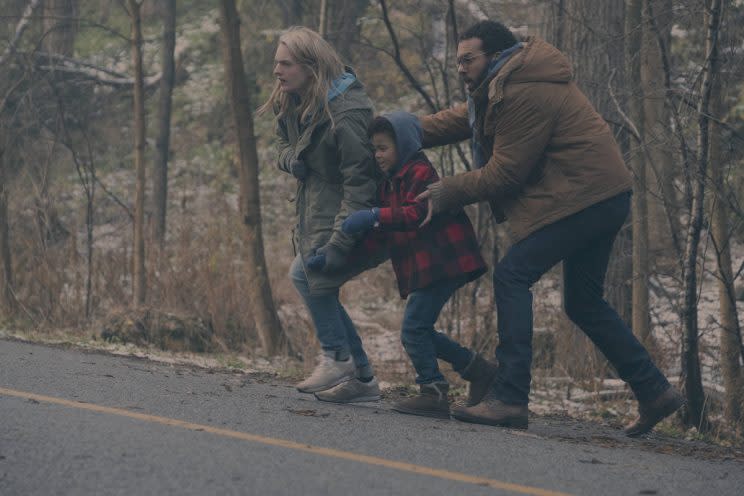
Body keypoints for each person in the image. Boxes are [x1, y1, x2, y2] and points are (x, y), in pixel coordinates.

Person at [415, 20, 683, 434]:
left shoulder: (522, 90)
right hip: (600, 196)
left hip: (586, 198)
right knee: (583, 301)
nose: (461, 68)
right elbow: (458, 121)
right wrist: (400, 130)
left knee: (512, 275)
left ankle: (508, 397)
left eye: (467, 59)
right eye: (457, 61)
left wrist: (446, 190)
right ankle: (655, 391)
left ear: (494, 55)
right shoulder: (504, 83)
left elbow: (505, 174)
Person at [328, 112, 497, 416]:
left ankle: (433, 390)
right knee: (420, 329)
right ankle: (479, 370)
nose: (377, 155)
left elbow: (415, 213)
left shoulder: (419, 171)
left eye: (383, 148)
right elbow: (382, 235)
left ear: (403, 144)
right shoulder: (389, 183)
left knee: (413, 329)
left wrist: (375, 216)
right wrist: (340, 256)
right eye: (374, 149)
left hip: (444, 260)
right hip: (427, 266)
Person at [260, 26, 384, 402]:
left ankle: (338, 356)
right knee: (313, 278)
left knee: (308, 274)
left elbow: (360, 185)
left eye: (286, 64)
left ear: (311, 67)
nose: (277, 71)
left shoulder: (346, 115)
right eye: (276, 63)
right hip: (312, 205)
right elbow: (282, 144)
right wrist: (290, 160)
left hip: (345, 212)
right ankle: (362, 378)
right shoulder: (291, 98)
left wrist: (340, 241)